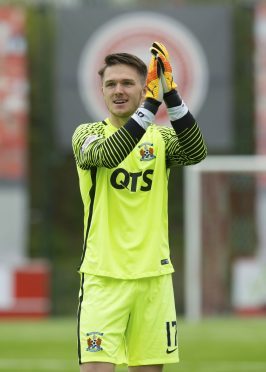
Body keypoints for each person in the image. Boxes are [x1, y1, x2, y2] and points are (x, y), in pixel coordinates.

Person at [72, 42, 207, 372]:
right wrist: (149, 104)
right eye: (110, 84)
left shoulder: (159, 140)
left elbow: (196, 152)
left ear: (143, 85)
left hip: (153, 278)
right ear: (102, 91)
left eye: (127, 83)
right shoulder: (87, 135)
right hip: (103, 278)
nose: (118, 91)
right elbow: (108, 155)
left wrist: (171, 96)